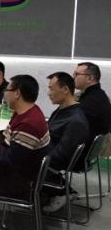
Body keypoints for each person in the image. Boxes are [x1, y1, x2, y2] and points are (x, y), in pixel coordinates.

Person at [0, 75, 51, 199]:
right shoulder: (28, 111)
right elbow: (7, 142)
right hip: (18, 173)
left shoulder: (28, 125)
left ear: (17, 93)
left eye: (7, 90)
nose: (4, 94)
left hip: (18, 182)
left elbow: (11, 163)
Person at [43, 72, 89, 213]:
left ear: (65, 90)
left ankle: (60, 191)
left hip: (49, 162)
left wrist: (32, 153)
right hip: (46, 155)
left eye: (51, 89)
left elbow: (60, 156)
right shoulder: (62, 110)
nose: (48, 93)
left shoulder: (75, 120)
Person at [73, 62, 111, 158]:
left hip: (79, 155)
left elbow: (74, 128)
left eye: (76, 74)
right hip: (89, 154)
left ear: (90, 78)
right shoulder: (99, 95)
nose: (73, 77)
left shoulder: (91, 102)